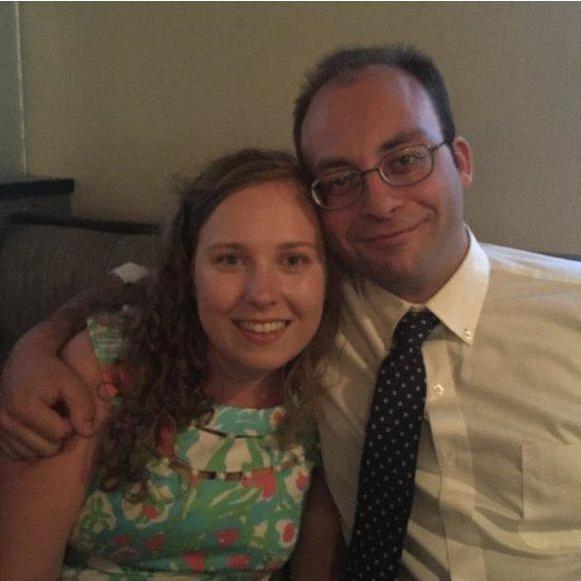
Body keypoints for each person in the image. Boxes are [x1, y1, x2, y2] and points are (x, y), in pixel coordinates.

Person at [3, 44, 581, 580]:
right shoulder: (319, 319)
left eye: (405, 160)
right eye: (340, 179)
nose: (379, 203)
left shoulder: (565, 312)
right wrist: (37, 346)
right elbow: (150, 280)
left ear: (461, 161)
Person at [0, 148, 343, 580]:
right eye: (229, 259)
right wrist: (36, 345)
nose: (261, 293)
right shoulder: (100, 368)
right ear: (189, 273)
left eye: (293, 260)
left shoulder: (323, 393)